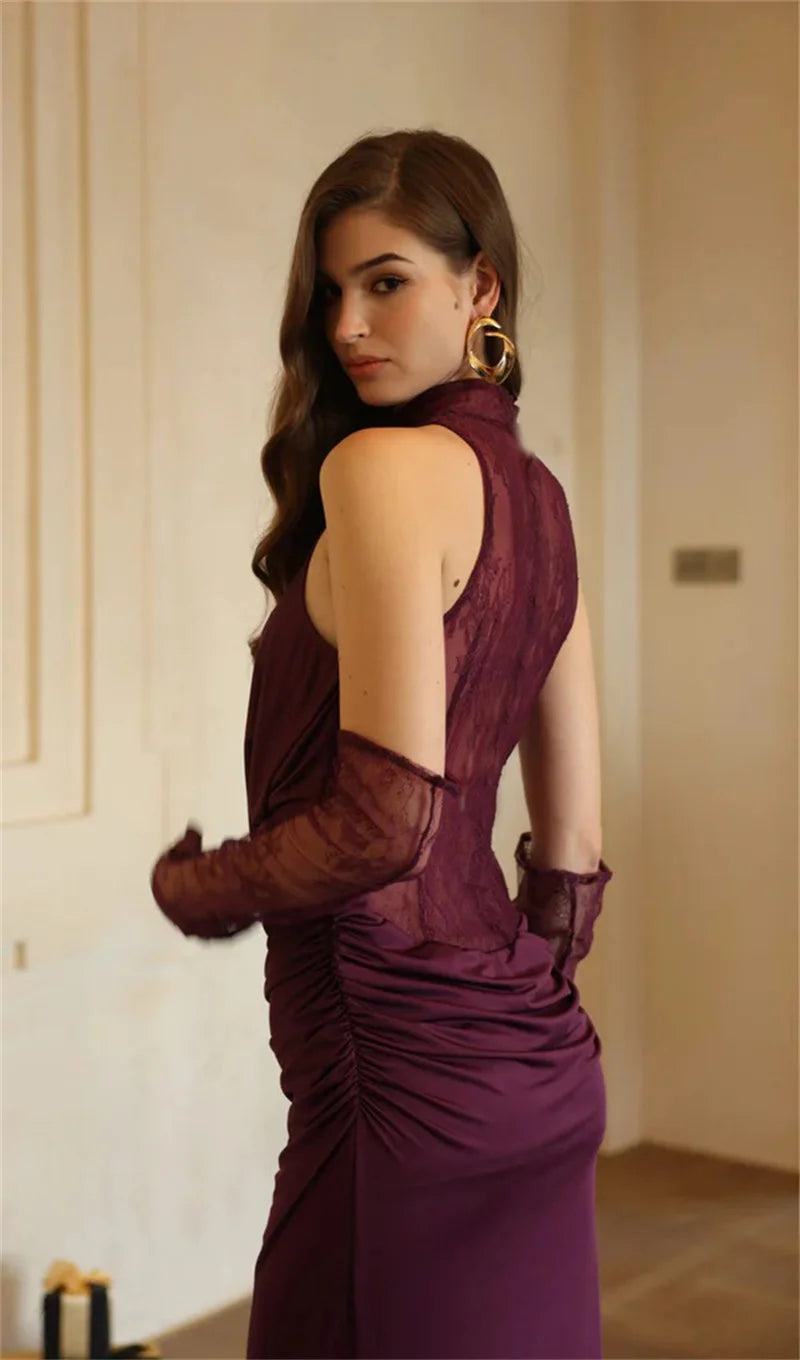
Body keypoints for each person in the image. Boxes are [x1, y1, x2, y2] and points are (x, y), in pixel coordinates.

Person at [150, 127, 613, 1360]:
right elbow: (569, 863)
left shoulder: (379, 469)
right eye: (331, 290)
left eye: (387, 281)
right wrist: (512, 1029)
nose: (348, 324)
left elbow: (382, 822)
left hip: (392, 1088)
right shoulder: (542, 499)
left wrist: (197, 885)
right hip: (536, 1067)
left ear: (481, 287)